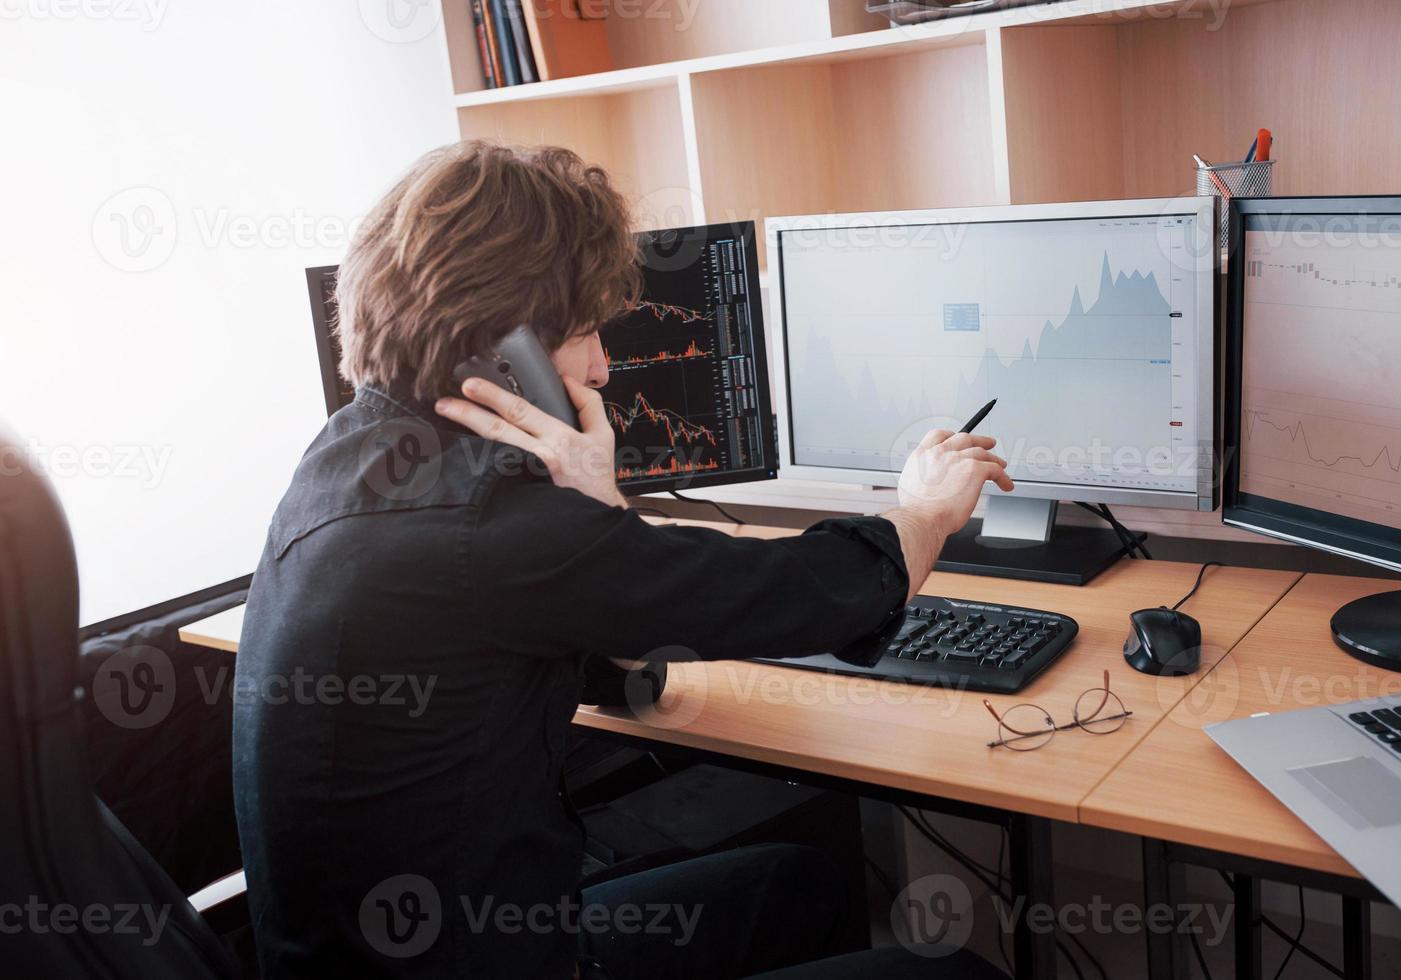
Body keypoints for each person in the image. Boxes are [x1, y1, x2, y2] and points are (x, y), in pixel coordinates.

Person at [233, 140, 1014, 980]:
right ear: (505, 351)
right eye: (581, 333)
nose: (604, 365)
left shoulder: (352, 453)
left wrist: (593, 506)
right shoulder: (488, 521)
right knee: (952, 975)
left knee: (794, 886)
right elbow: (797, 597)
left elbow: (627, 671)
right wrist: (928, 510)